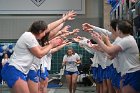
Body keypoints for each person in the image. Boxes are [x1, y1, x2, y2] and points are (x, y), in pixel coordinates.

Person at [0, 19, 67, 93]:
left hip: (16, 70)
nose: (45, 34)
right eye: (44, 32)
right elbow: (40, 54)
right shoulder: (29, 36)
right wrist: (52, 44)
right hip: (14, 69)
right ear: (40, 31)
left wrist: (63, 20)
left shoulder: (32, 38)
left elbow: (41, 49)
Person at [91, 20, 140, 93]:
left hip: (132, 72)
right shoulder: (122, 39)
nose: (113, 31)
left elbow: (110, 51)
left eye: (115, 29)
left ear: (119, 31)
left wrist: (98, 40)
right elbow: (111, 55)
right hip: (126, 72)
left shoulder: (126, 40)